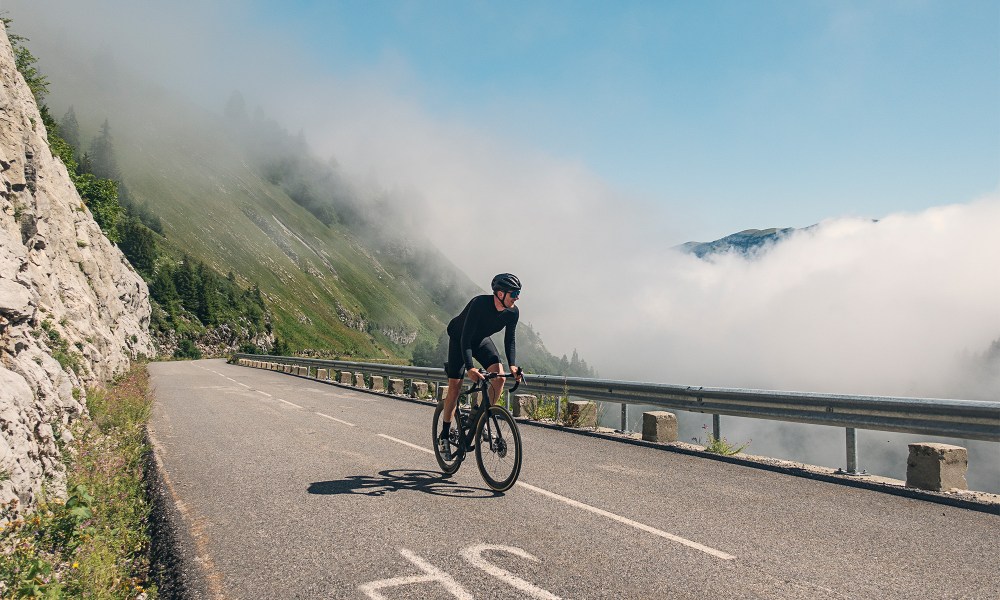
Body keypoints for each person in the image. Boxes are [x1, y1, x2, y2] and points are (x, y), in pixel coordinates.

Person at [438, 273, 524, 459]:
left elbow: (510, 340)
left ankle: (479, 418)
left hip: (481, 340)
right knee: (455, 387)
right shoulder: (479, 304)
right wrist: (470, 367)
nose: (517, 297)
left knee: (500, 378)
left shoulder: (513, 312)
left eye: (519, 293)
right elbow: (466, 339)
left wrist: (513, 366)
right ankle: (444, 435)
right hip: (460, 339)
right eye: (514, 293)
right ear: (500, 294)